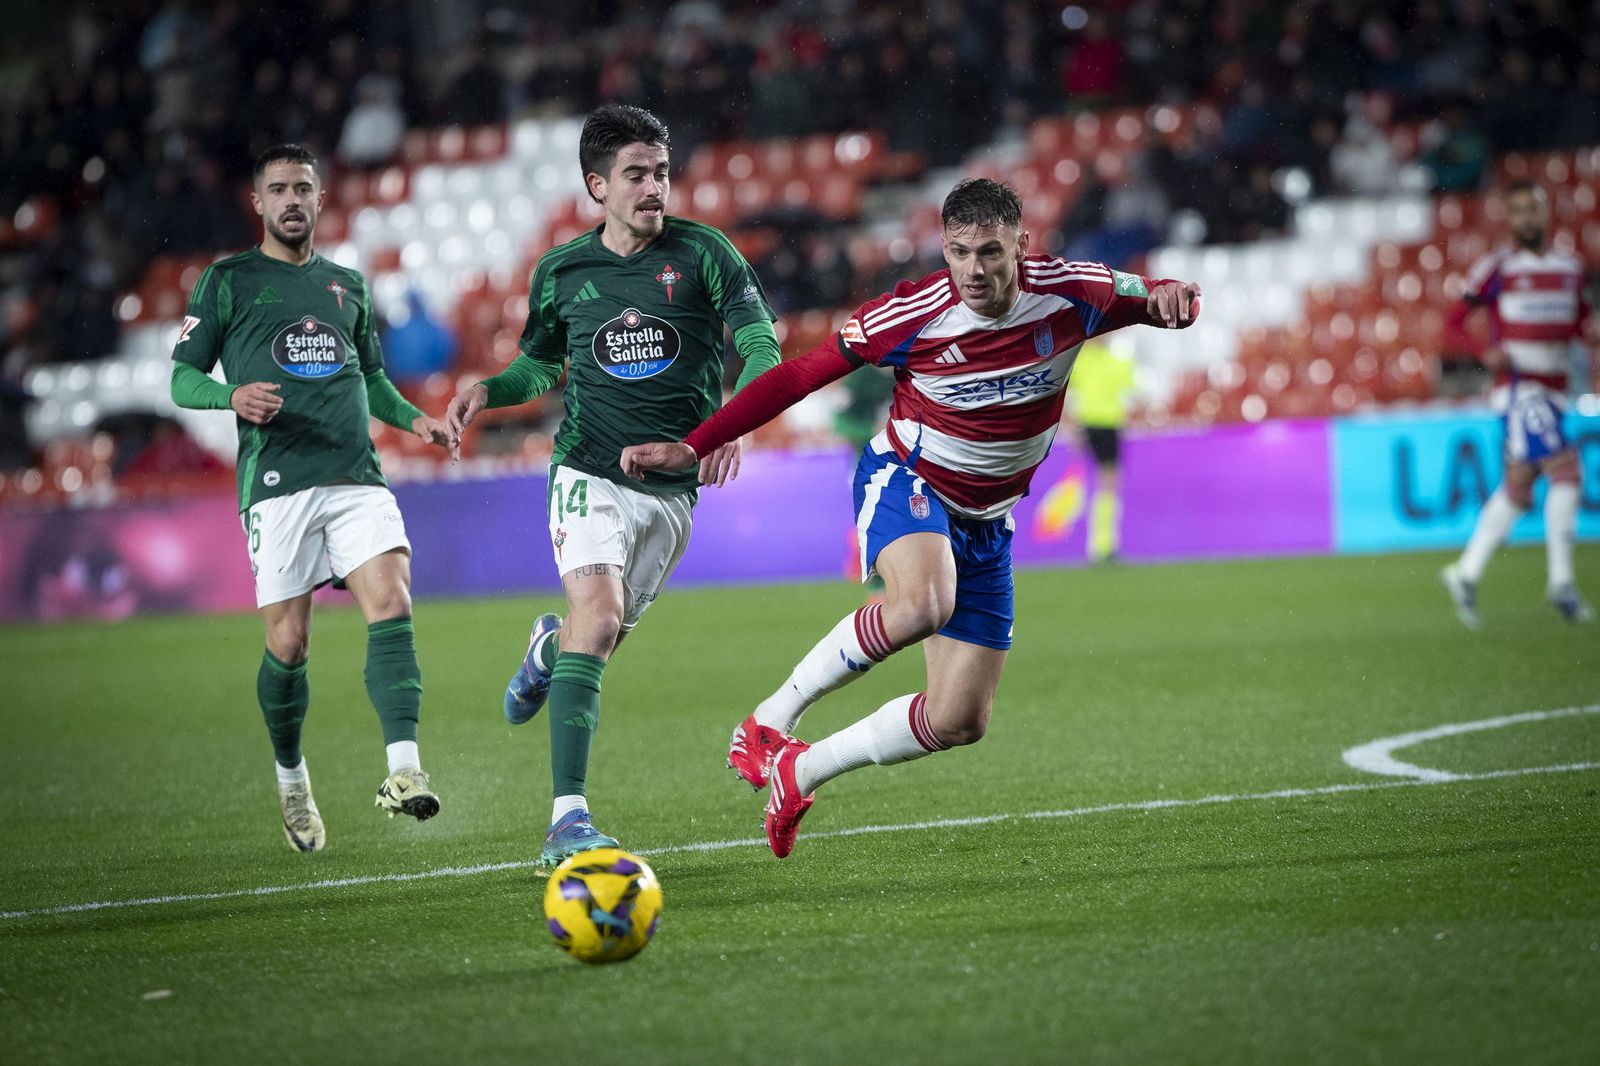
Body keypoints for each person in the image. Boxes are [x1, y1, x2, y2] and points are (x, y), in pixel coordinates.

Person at [621, 178, 1201, 858]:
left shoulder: (1076, 291)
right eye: (959, 252)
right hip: (908, 477)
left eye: (990, 252)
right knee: (923, 603)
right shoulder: (913, 312)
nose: (975, 270)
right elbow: (801, 374)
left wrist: (1175, 301)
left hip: (989, 519)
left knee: (960, 719)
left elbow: (1157, 296)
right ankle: (770, 720)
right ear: (944, 248)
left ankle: (800, 770)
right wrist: (698, 441)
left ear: (1021, 245)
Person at [442, 105, 781, 868]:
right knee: (597, 620)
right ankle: (568, 818)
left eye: (661, 171)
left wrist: (733, 422)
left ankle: (543, 652)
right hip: (588, 469)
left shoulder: (707, 254)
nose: (654, 186)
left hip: (673, 490)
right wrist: (489, 390)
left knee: (597, 638)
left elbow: (761, 344)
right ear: (597, 185)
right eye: (636, 174)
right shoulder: (562, 271)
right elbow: (539, 365)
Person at [170, 144, 453, 852]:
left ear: (321, 200)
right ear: (257, 203)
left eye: (303, 188)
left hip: (355, 474)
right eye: (278, 189)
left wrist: (414, 418)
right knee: (289, 644)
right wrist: (230, 394)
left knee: (392, 600)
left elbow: (374, 381)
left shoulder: (348, 287)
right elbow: (180, 378)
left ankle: (404, 771)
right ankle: (293, 778)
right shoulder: (227, 281)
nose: (292, 199)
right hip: (277, 485)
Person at [1441, 180, 1595, 628]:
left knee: (1519, 490)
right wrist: (1481, 350)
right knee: (1566, 473)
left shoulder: (1570, 268)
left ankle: (1464, 573)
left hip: (1555, 391)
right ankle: (1561, 583)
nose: (1526, 218)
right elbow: (1453, 323)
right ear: (1508, 219)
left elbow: (1581, 322)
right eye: (1518, 210)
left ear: (1546, 213)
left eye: (1533, 209)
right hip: (1520, 388)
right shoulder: (1498, 268)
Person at [1063, 337, 1136, 562]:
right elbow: (1066, 393)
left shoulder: (1112, 360)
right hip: (1096, 424)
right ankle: (1101, 544)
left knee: (1106, 483)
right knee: (1106, 482)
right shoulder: (1089, 359)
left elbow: (1129, 396)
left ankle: (1102, 544)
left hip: (1107, 424)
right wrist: (1071, 426)